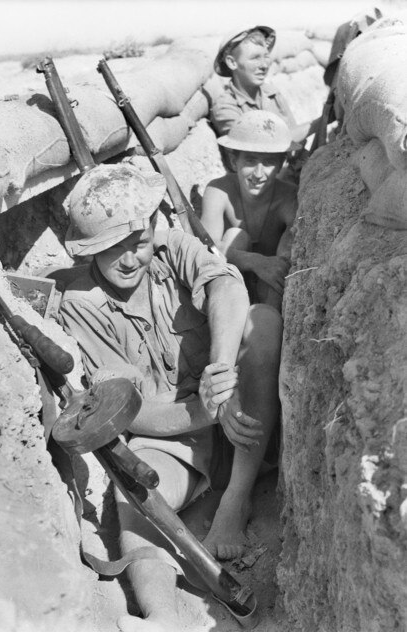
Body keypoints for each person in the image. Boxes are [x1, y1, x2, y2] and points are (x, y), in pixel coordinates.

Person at [59, 163, 282, 632]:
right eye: (111, 248)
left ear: (152, 232)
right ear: (89, 253)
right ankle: (160, 616)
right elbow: (127, 413)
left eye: (137, 243)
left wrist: (220, 377)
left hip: (243, 416)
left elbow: (226, 286)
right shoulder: (81, 305)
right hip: (173, 437)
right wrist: (204, 410)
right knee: (136, 495)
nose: (129, 259)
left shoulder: (174, 247)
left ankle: (236, 500)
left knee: (263, 325)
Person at [201, 110, 298, 312]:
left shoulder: (289, 198)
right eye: (250, 161)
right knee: (235, 235)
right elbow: (206, 250)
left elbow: (290, 254)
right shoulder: (218, 191)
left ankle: (265, 324)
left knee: (282, 261)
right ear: (234, 161)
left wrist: (270, 265)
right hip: (230, 287)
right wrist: (256, 262)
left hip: (269, 290)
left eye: (269, 162)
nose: (258, 174)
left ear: (282, 164)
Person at [210, 26, 297, 138]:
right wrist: (316, 124)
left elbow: (294, 133)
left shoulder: (272, 93)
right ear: (232, 62)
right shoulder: (226, 107)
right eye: (255, 58)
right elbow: (261, 145)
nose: (264, 65)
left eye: (266, 57)